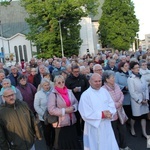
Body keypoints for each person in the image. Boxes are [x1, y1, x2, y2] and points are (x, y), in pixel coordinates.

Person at [78, 73, 119, 150]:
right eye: (95, 81)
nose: (98, 83)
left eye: (100, 81)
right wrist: (101, 115)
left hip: (106, 124)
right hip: (94, 126)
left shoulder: (104, 91)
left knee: (108, 143)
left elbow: (111, 104)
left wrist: (110, 113)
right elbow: (85, 113)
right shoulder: (85, 95)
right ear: (90, 82)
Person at [48, 75, 81, 150]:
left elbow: (76, 102)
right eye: (59, 82)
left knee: (73, 143)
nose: (61, 84)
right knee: (62, 144)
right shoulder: (53, 94)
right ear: (55, 83)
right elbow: (51, 110)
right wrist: (64, 111)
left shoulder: (69, 92)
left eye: (63, 82)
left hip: (72, 121)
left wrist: (73, 108)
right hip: (61, 124)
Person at [102, 70, 131, 150]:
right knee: (114, 132)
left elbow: (121, 94)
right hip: (112, 114)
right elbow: (106, 102)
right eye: (112, 77)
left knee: (123, 130)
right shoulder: (103, 89)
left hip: (120, 112)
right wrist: (118, 104)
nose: (114, 79)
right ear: (107, 79)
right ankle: (116, 147)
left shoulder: (116, 85)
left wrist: (120, 102)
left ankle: (124, 146)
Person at [65, 64, 89, 139]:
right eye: (75, 72)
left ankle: (85, 132)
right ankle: (78, 134)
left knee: (85, 117)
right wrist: (73, 90)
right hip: (74, 102)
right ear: (71, 71)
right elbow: (66, 91)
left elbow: (87, 87)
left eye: (78, 71)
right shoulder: (68, 80)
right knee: (77, 119)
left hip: (84, 101)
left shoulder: (82, 77)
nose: (77, 73)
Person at [127, 61, 149, 139]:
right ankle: (132, 128)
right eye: (136, 68)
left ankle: (144, 132)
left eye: (138, 67)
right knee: (135, 117)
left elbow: (146, 88)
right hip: (136, 100)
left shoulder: (142, 76)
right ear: (132, 69)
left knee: (144, 116)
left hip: (144, 98)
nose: (138, 69)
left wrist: (146, 98)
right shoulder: (130, 79)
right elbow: (132, 93)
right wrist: (140, 100)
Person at [34, 78, 55, 149]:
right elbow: (36, 106)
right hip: (44, 117)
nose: (47, 86)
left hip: (53, 115)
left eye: (48, 84)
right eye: (45, 85)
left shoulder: (53, 91)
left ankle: (54, 143)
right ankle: (48, 144)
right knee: (47, 132)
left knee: (54, 131)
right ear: (42, 86)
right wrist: (43, 114)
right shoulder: (38, 94)